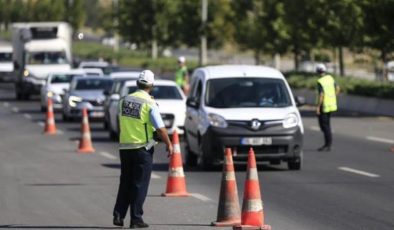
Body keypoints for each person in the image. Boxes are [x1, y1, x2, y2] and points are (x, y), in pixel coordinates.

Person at [113, 70, 174, 228]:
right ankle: (136, 219)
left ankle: (118, 215)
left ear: (137, 83)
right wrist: (169, 144)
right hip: (142, 148)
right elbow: (160, 129)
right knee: (139, 184)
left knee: (125, 182)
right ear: (151, 85)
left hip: (125, 148)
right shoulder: (149, 103)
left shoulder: (124, 100)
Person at [316, 63, 340, 151]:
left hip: (324, 106)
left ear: (317, 72)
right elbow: (338, 88)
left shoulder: (320, 81)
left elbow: (321, 95)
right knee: (327, 125)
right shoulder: (330, 78)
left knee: (324, 126)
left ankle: (328, 144)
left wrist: (318, 107)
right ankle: (328, 144)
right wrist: (333, 97)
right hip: (331, 105)